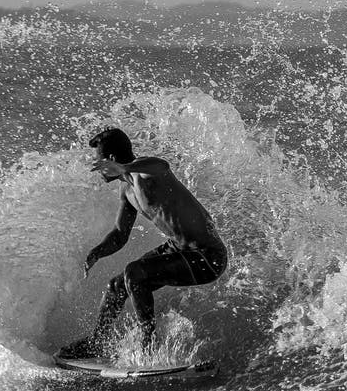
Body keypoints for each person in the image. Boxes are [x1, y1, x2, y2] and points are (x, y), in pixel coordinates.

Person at [59, 127, 228, 359]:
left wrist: (125, 168)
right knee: (116, 286)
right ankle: (96, 343)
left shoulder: (147, 173)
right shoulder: (127, 190)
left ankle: (147, 348)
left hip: (207, 256)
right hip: (179, 249)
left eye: (98, 161)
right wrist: (97, 252)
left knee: (134, 272)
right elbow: (120, 233)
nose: (96, 167)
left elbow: (162, 165)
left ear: (111, 160)